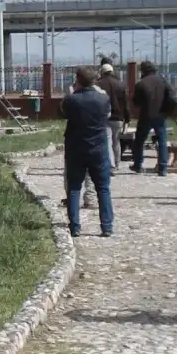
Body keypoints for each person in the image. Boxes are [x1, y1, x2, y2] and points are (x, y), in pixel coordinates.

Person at [59, 66, 114, 237]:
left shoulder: (72, 99)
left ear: (78, 80)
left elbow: (61, 112)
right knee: (103, 188)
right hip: (98, 149)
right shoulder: (103, 99)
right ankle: (107, 226)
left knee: (75, 188)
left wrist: (74, 92)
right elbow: (108, 115)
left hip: (76, 149)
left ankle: (75, 226)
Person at [130, 60, 177, 175]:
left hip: (146, 115)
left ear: (143, 71)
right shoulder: (163, 81)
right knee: (162, 141)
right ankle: (162, 168)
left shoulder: (141, 84)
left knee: (139, 140)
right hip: (161, 115)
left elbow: (136, 102)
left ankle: (138, 165)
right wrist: (167, 110)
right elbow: (172, 99)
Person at [96, 63, 130, 173]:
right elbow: (126, 103)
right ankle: (117, 163)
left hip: (104, 117)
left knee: (106, 141)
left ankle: (110, 165)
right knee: (116, 141)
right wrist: (127, 118)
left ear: (102, 72)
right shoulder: (120, 84)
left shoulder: (98, 84)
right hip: (118, 118)